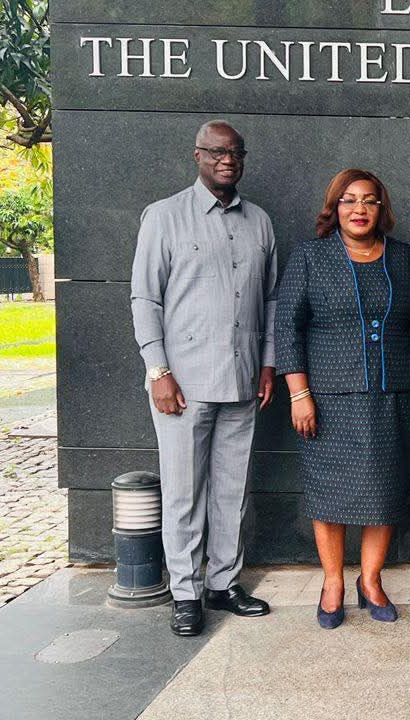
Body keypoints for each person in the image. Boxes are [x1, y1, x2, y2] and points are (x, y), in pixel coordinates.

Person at [129, 120, 276, 637]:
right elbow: (145, 298)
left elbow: (270, 300)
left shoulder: (260, 222)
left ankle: (223, 583)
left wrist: (267, 362)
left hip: (243, 379)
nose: (226, 160)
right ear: (198, 156)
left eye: (235, 152)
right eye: (216, 152)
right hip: (182, 386)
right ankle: (186, 593)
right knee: (184, 493)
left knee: (232, 491)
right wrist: (158, 371)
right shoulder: (164, 216)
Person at [274, 168, 410, 629]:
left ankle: (371, 580)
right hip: (327, 399)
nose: (359, 209)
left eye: (369, 200)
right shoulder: (311, 256)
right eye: (349, 200)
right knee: (329, 495)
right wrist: (299, 393)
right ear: (335, 208)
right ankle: (332, 584)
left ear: (381, 209)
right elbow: (287, 328)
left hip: (394, 396)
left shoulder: (404, 257)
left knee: (385, 491)